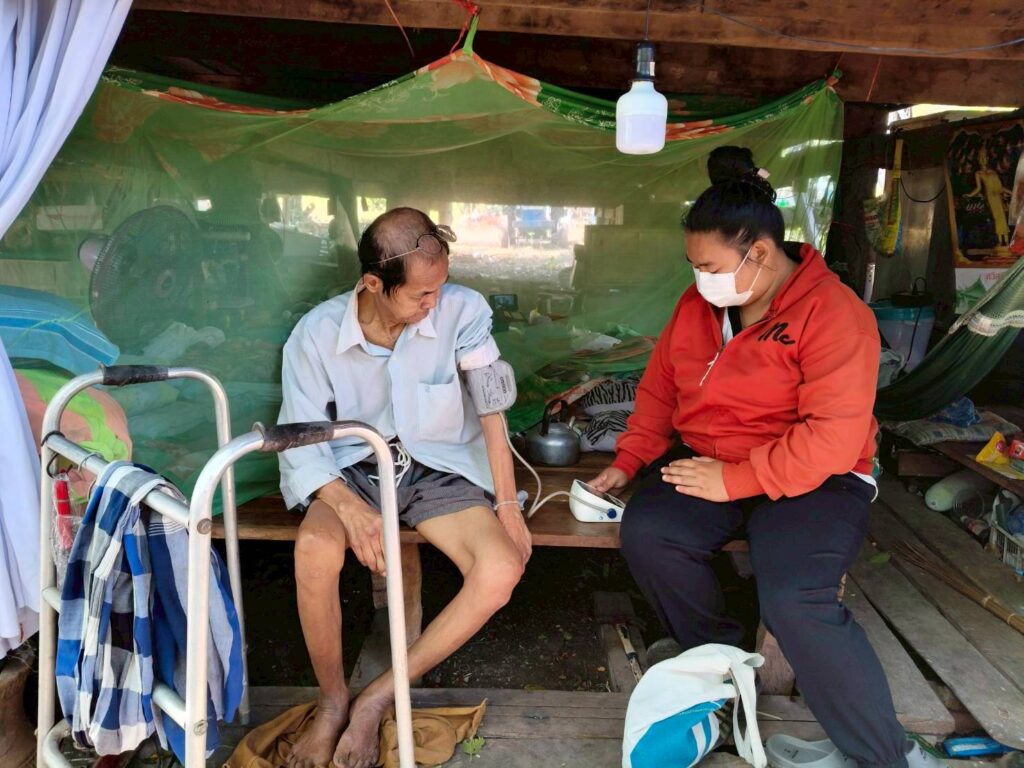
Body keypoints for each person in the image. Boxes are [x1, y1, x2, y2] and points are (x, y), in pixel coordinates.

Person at [590, 151, 939, 768]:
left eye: (709, 266)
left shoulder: (836, 315)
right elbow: (661, 389)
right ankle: (721, 663)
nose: (699, 278)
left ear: (758, 252)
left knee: (797, 599)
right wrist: (629, 459)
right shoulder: (697, 306)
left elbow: (832, 438)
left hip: (818, 479)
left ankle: (884, 755)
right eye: (694, 265)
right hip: (712, 459)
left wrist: (737, 480)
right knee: (651, 535)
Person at [277, 207, 531, 768]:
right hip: (351, 471)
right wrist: (348, 508)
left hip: (438, 467)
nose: (434, 303)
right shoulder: (317, 334)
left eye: (440, 286)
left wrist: (508, 506)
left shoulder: (464, 310)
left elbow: (492, 412)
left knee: (500, 569)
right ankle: (332, 702)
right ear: (374, 283)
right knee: (314, 549)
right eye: (421, 294)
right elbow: (299, 436)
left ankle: (378, 695)